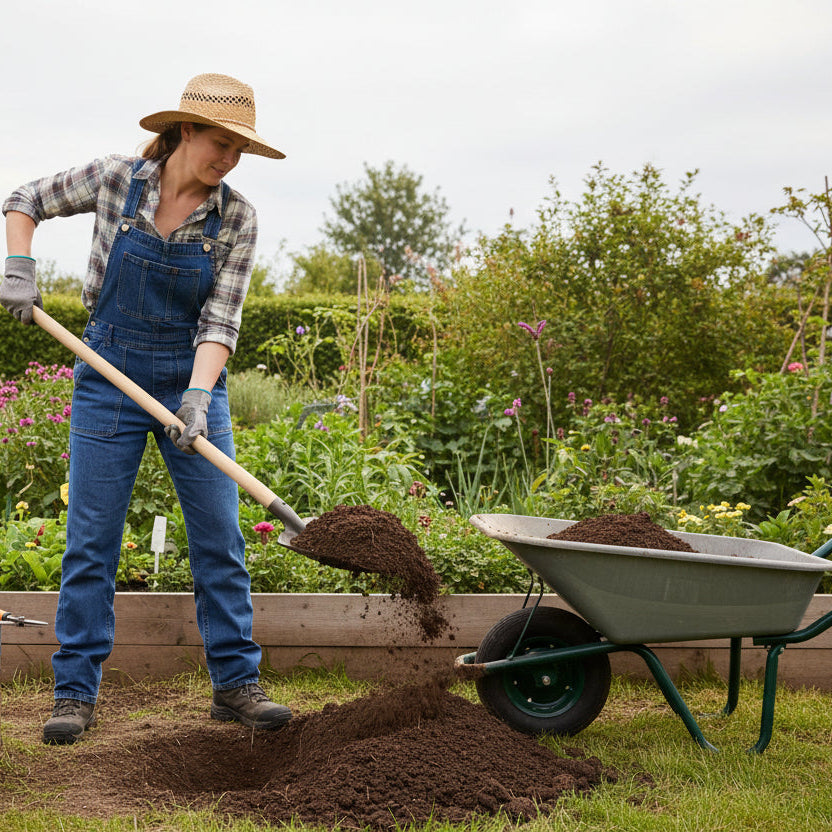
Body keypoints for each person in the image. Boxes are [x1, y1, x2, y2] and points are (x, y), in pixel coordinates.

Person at [0, 73, 292, 744]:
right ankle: (75, 693)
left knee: (219, 536)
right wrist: (20, 265)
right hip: (108, 375)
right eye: (221, 142)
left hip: (191, 381)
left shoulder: (236, 219)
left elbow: (221, 320)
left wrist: (196, 396)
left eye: (239, 149)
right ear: (186, 131)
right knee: (91, 543)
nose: (229, 159)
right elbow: (24, 200)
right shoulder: (114, 179)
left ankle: (236, 685)